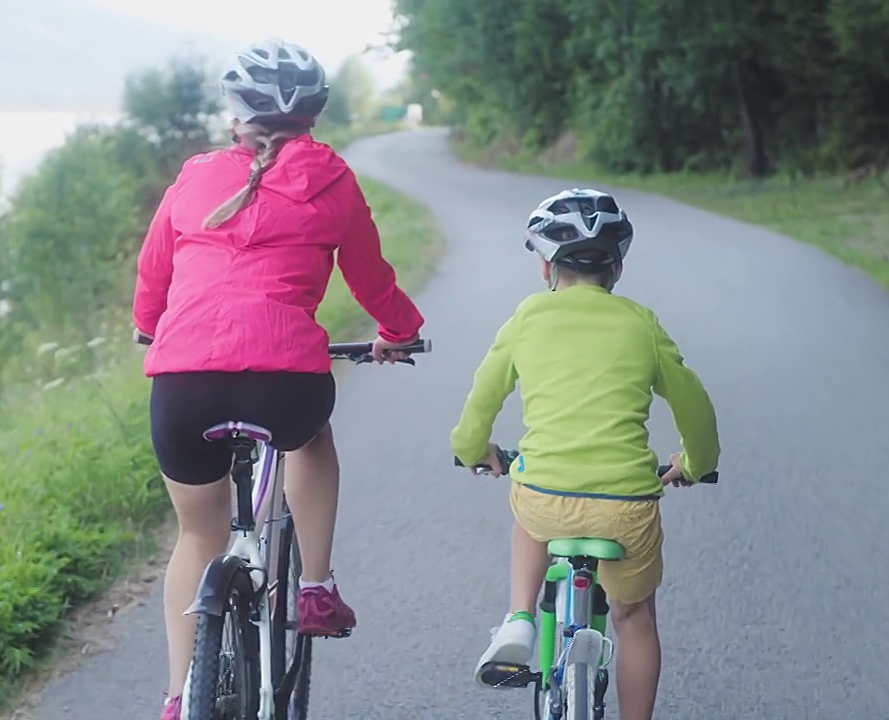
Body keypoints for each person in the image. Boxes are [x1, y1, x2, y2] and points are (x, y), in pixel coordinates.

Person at [132, 37, 426, 720]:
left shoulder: (195, 175)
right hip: (284, 382)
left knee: (197, 536)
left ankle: (180, 698)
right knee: (310, 439)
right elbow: (372, 277)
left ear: (237, 117)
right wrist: (398, 332)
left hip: (182, 382)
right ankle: (316, 587)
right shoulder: (332, 179)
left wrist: (150, 326)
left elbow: (154, 273)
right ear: (313, 118)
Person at [449, 188, 720, 720]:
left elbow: (481, 399)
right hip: (628, 509)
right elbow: (696, 408)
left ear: (546, 267)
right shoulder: (641, 322)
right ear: (616, 269)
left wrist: (476, 450)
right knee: (634, 616)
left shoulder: (527, 318)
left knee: (526, 492)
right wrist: (693, 463)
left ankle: (520, 618)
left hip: (547, 500)